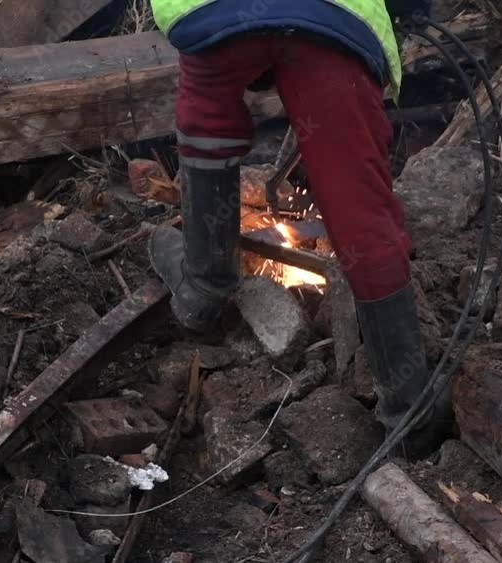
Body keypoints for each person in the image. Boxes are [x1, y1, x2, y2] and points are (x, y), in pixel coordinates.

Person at [146, 0, 448, 458]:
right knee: (359, 208)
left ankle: (203, 288)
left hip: (213, 11)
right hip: (330, 15)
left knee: (208, 115)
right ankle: (409, 413)